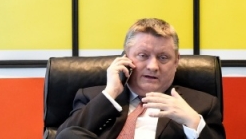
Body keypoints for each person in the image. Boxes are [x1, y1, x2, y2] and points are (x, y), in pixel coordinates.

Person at [57, 18, 226, 139]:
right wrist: (110, 94)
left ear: (176, 61)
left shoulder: (201, 104)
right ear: (125, 58)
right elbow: (64, 136)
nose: (153, 66)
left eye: (163, 57)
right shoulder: (92, 97)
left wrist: (193, 122)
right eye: (143, 55)